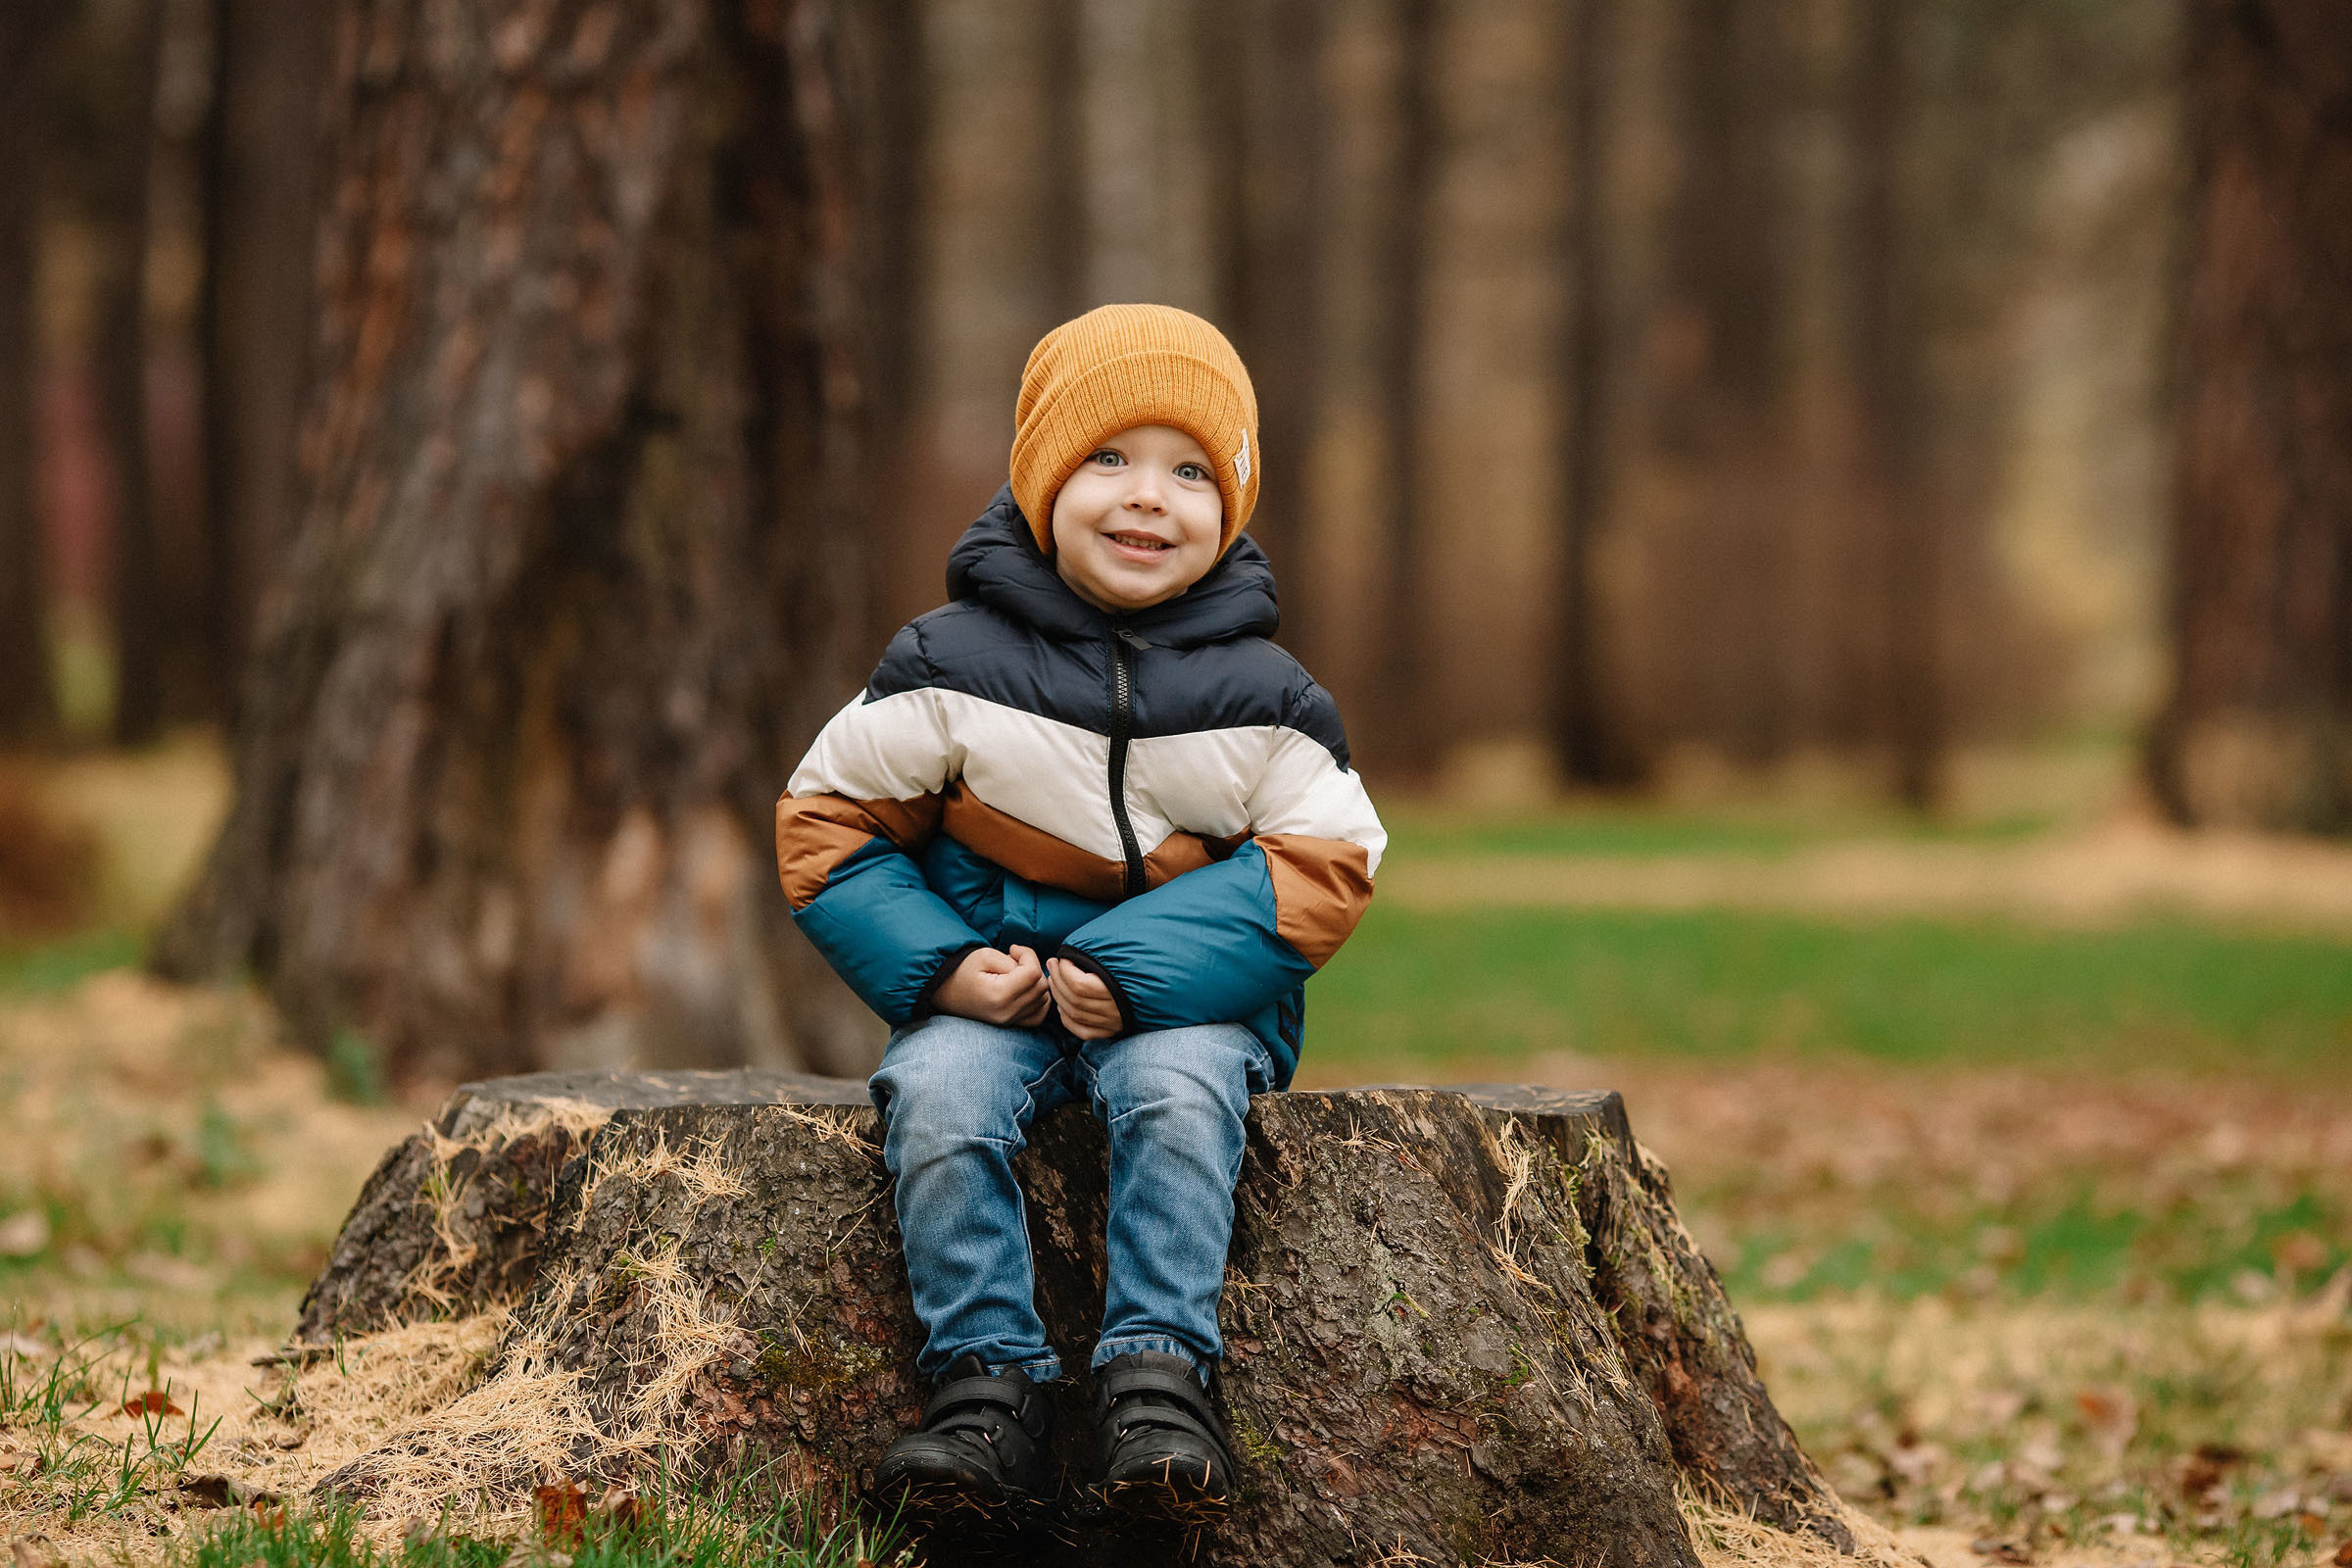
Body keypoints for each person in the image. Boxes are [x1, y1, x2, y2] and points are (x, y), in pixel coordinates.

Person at [773, 304, 1385, 1529]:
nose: (1148, 495)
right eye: (1108, 457)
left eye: (1191, 471)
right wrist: (945, 971)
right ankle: (983, 1385)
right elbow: (826, 821)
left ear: (1233, 505)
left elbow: (1327, 858)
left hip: (1186, 1007)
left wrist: (1136, 972)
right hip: (991, 994)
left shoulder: (1268, 698)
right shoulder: (946, 666)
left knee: (1177, 1092)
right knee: (938, 1094)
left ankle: (1158, 1380)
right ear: (1042, 479)